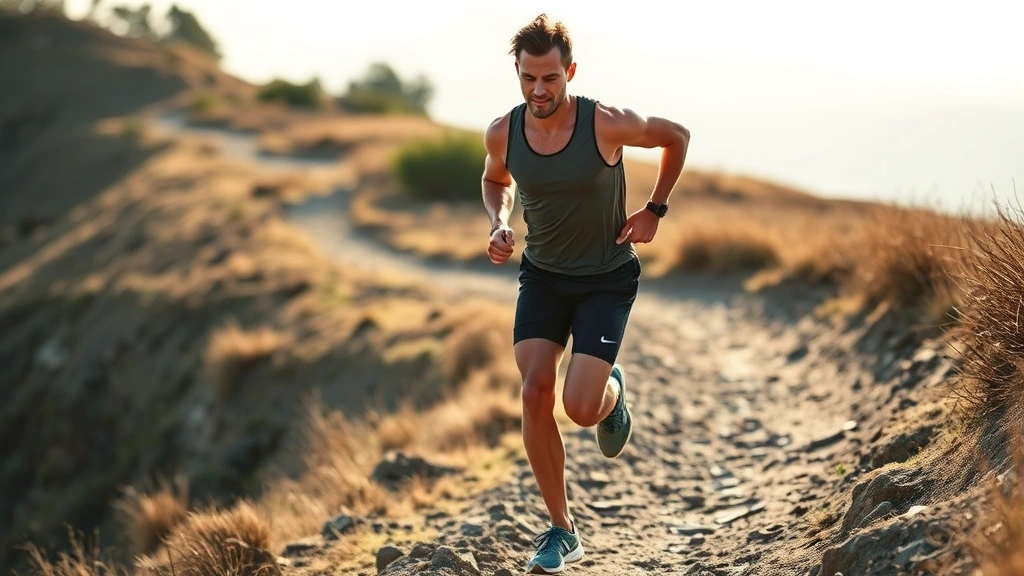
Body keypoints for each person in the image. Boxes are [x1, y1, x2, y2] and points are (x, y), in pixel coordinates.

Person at [479, 12, 691, 574]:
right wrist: (499, 224)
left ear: (569, 71)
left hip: (605, 279)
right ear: (518, 74)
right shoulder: (504, 130)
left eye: (550, 78)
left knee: (578, 408)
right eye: (528, 78)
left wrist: (655, 209)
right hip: (543, 278)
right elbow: (494, 178)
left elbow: (676, 137)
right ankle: (562, 529)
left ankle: (612, 394)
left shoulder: (606, 124)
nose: (539, 90)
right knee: (532, 392)